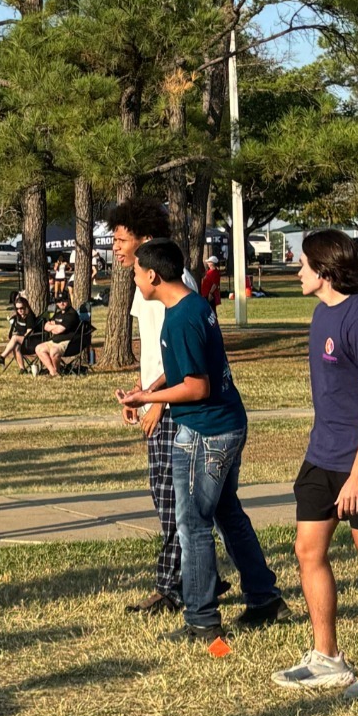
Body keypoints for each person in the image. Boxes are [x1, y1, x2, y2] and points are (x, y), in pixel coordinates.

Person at [118, 238, 282, 642]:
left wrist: (149, 398)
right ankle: (264, 598)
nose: (134, 278)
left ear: (153, 275)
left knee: (192, 526)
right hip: (226, 424)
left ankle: (202, 619)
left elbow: (196, 387)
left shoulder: (182, 318)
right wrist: (147, 389)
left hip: (205, 432)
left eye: (136, 272)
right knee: (228, 514)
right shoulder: (192, 306)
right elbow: (181, 370)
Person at [271, 230, 358, 700]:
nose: (297, 271)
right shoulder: (321, 312)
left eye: (303, 264)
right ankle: (327, 657)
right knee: (308, 551)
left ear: (325, 270)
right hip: (321, 455)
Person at [110, 199, 200, 616]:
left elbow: (183, 359)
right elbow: (154, 350)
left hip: (175, 409)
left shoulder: (169, 283)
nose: (115, 246)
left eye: (121, 238)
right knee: (170, 498)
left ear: (144, 241)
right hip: (156, 400)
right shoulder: (140, 284)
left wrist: (155, 403)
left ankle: (172, 587)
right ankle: (202, 578)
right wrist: (138, 390)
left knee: (173, 500)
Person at [32, 295, 80, 376]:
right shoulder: (58, 314)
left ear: (68, 300)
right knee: (39, 348)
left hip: (68, 342)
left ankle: (58, 370)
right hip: (54, 340)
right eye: (59, 301)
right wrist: (55, 327)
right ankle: (53, 372)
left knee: (54, 351)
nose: (61, 303)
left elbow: (59, 330)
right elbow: (46, 326)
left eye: (64, 300)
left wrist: (53, 327)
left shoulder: (72, 314)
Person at [0, 293, 38, 367]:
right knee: (15, 347)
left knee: (15, 338)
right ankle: (22, 369)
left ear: (26, 306)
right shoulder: (18, 316)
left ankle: (2, 357)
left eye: (21, 308)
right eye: (17, 309)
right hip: (22, 341)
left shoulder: (30, 317)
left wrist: (19, 337)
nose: (19, 310)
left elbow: (30, 332)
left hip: (31, 341)